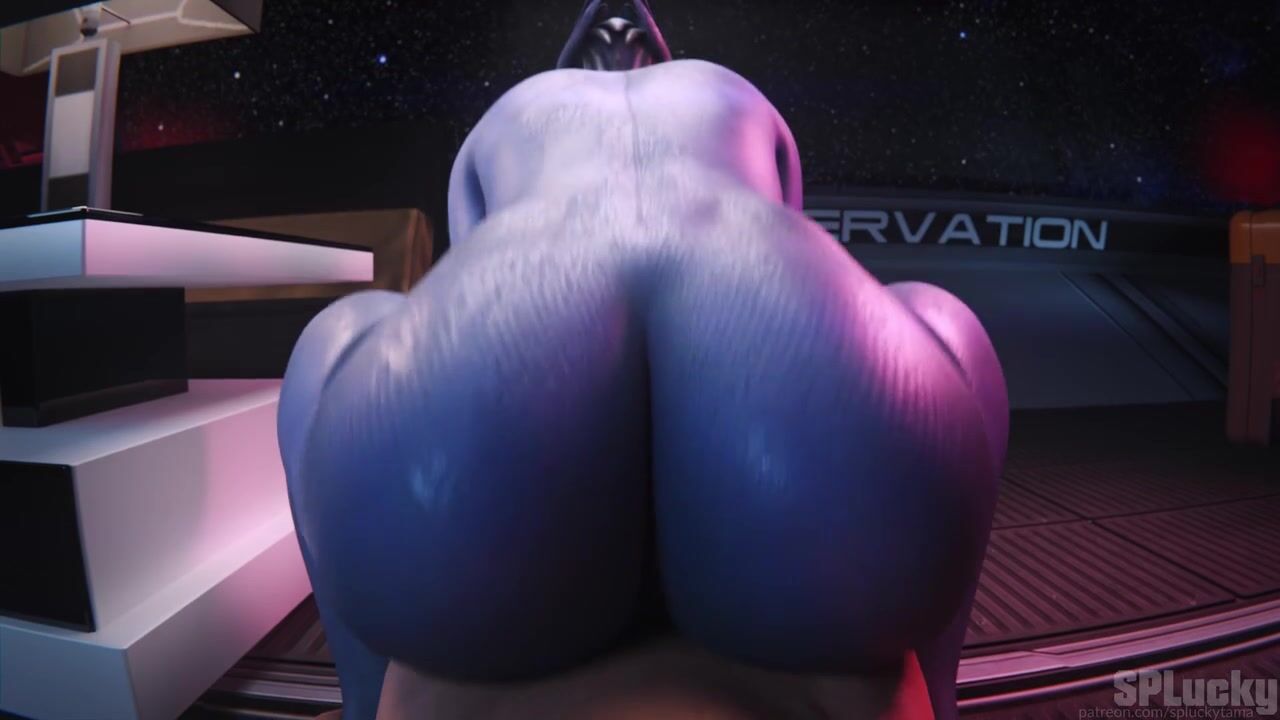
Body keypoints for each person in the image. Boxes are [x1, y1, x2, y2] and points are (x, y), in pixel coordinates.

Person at [280, 2, 1008, 718]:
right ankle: (941, 698)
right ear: (657, 50)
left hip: (523, 326)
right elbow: (789, 225)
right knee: (939, 316)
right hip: (755, 312)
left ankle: (359, 703)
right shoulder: (733, 93)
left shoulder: (511, 112)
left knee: (341, 330)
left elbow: (466, 259)